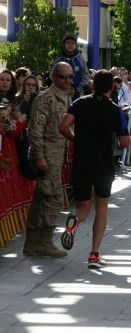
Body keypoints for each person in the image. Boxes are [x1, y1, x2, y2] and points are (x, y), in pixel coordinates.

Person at [58, 69, 131, 268]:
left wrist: (77, 141)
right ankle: (94, 254)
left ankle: (75, 221)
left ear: (92, 85)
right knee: (101, 206)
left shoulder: (79, 103)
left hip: (81, 161)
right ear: (112, 87)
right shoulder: (115, 109)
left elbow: (63, 126)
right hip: (103, 164)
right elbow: (124, 142)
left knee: (83, 206)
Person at [22, 62, 73, 258]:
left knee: (41, 199)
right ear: (53, 77)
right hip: (46, 155)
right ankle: (44, 241)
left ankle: (32, 243)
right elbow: (35, 131)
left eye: (70, 77)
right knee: (54, 198)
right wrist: (40, 156)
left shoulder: (64, 97)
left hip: (56, 155)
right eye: (63, 77)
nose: (68, 81)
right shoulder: (46, 98)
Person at [53, 33, 91, 98]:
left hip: (76, 94)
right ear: (63, 44)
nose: (70, 45)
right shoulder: (58, 60)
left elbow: (86, 76)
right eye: (68, 42)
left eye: (73, 43)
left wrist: (77, 90)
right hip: (59, 93)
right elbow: (53, 76)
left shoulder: (81, 60)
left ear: (76, 45)